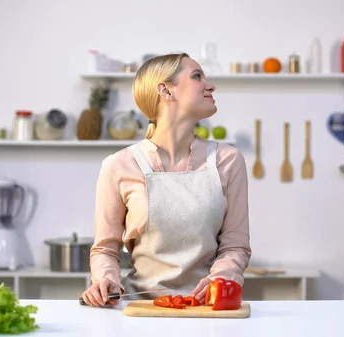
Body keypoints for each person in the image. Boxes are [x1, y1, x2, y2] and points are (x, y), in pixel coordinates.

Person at [81, 53, 252, 307]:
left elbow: (236, 246)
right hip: (139, 310)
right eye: (197, 76)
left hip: (207, 310)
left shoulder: (228, 161)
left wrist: (222, 277)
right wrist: (106, 280)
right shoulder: (118, 165)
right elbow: (105, 249)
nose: (210, 85)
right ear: (165, 90)